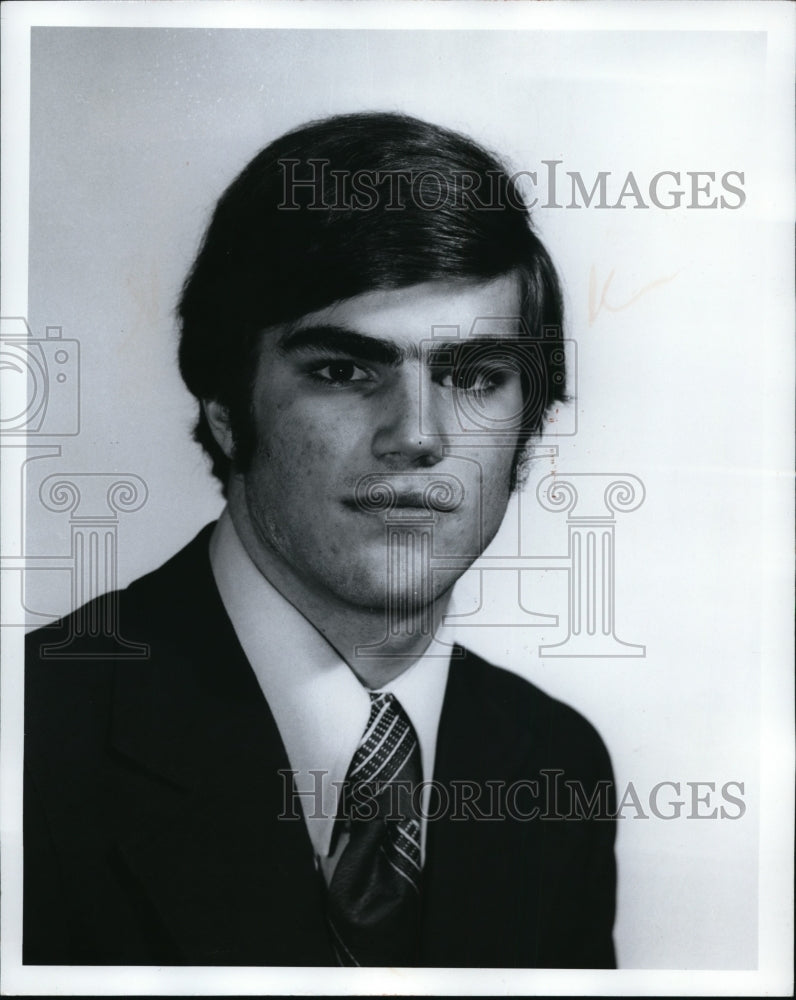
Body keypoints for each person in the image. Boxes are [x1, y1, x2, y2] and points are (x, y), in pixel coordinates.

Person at [24, 112, 617, 968]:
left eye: (478, 376)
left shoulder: (554, 766)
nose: (418, 436)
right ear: (226, 411)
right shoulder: (34, 740)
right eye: (344, 371)